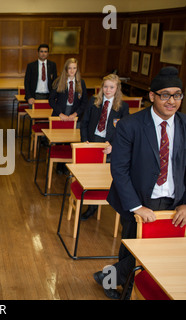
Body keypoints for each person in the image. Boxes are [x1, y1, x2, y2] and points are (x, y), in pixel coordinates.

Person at [93, 66, 186, 300]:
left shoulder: (185, 125)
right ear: (152, 96)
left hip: (175, 201)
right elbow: (119, 169)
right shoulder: (130, 125)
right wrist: (136, 206)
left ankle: (109, 278)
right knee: (133, 246)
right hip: (138, 199)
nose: (172, 100)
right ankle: (119, 287)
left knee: (164, 250)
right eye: (165, 94)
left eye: (177, 94)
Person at [79, 74, 130, 220]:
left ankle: (104, 203)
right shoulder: (94, 101)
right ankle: (91, 206)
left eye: (111, 87)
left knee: (103, 175)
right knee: (91, 173)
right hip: (93, 140)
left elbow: (125, 132)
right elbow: (84, 123)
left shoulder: (122, 107)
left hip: (109, 144)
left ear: (117, 89)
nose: (108, 90)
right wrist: (84, 141)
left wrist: (114, 146)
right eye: (105, 86)